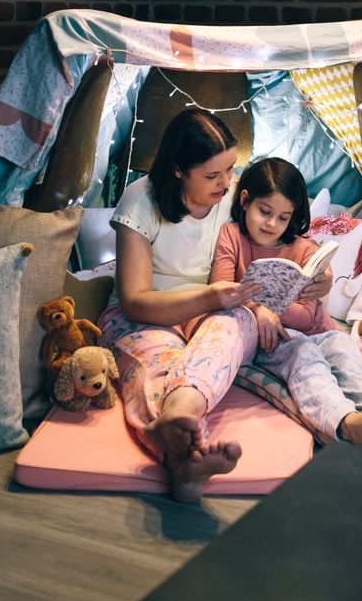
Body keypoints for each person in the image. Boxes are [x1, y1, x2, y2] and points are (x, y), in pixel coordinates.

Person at [97, 109, 332, 501]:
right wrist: (208, 296)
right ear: (177, 171)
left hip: (217, 309)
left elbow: (283, 235)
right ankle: (182, 455)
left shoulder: (235, 196)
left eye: (230, 170)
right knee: (156, 363)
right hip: (147, 315)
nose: (225, 183)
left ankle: (181, 418)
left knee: (230, 325)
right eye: (211, 175)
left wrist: (315, 277)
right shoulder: (140, 201)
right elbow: (135, 302)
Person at [210, 157, 362, 452]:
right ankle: (346, 420)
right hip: (277, 339)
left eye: (283, 218)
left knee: (346, 354)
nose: (272, 224)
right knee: (306, 361)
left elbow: (307, 320)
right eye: (265, 212)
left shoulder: (306, 249)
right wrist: (260, 310)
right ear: (245, 200)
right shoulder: (232, 236)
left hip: (318, 330)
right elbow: (220, 289)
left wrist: (273, 306)